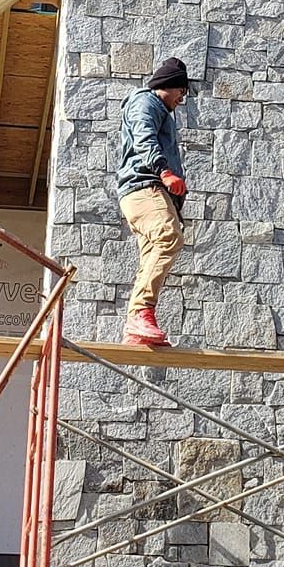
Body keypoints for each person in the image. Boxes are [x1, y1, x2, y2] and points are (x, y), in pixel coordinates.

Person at [116, 56, 191, 348]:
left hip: (147, 191)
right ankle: (140, 315)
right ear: (168, 84)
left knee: (150, 257)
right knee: (169, 237)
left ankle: (136, 327)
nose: (182, 98)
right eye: (181, 91)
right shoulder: (146, 102)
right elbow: (144, 138)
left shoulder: (160, 110)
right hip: (145, 187)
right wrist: (164, 171)